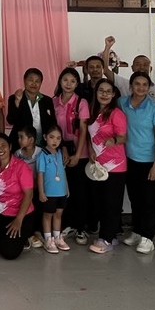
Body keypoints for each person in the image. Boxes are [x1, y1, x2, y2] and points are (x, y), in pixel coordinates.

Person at [119, 72, 155, 254]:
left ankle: (148, 237)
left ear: (149, 87)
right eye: (137, 84)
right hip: (129, 159)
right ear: (131, 86)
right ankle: (137, 231)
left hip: (148, 161)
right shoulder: (122, 103)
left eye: (145, 84)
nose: (141, 88)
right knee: (135, 198)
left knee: (148, 200)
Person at [85, 79, 128, 254]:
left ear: (113, 94)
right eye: (101, 90)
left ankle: (106, 239)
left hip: (115, 167)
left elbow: (124, 137)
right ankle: (111, 234)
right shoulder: (93, 112)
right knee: (100, 202)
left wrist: (114, 140)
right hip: (98, 166)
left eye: (108, 91)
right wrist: (90, 150)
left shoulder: (117, 114)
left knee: (111, 203)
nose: (104, 94)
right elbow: (89, 137)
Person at [0, 133, 34, 260]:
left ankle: (26, 236)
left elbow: (29, 194)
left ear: (10, 146)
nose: (0, 149)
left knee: (9, 253)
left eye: (3, 145)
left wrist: (19, 220)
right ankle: (7, 238)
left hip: (20, 214)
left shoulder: (21, 167)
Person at [52, 68, 91, 244]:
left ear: (77, 84)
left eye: (73, 81)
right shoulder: (54, 102)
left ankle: (81, 228)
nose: (68, 84)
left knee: (80, 192)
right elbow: (53, 129)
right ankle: (68, 224)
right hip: (60, 153)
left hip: (80, 153)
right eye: (65, 80)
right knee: (63, 192)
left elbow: (83, 129)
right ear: (60, 81)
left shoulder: (81, 102)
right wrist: (64, 150)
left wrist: (77, 155)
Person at [37, 126, 70, 254]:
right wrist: (41, 192)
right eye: (51, 137)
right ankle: (48, 239)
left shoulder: (60, 153)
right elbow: (40, 174)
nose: (55, 141)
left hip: (61, 192)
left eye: (58, 138)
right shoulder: (43, 155)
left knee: (58, 214)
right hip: (49, 193)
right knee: (47, 216)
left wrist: (66, 188)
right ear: (45, 137)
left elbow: (62, 172)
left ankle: (57, 237)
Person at [7, 68, 57, 146]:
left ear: (41, 83)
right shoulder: (14, 98)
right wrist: (17, 103)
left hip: (43, 145)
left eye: (37, 81)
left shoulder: (47, 100)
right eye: (31, 80)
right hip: (20, 145)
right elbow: (11, 120)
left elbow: (53, 123)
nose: (34, 83)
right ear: (24, 81)